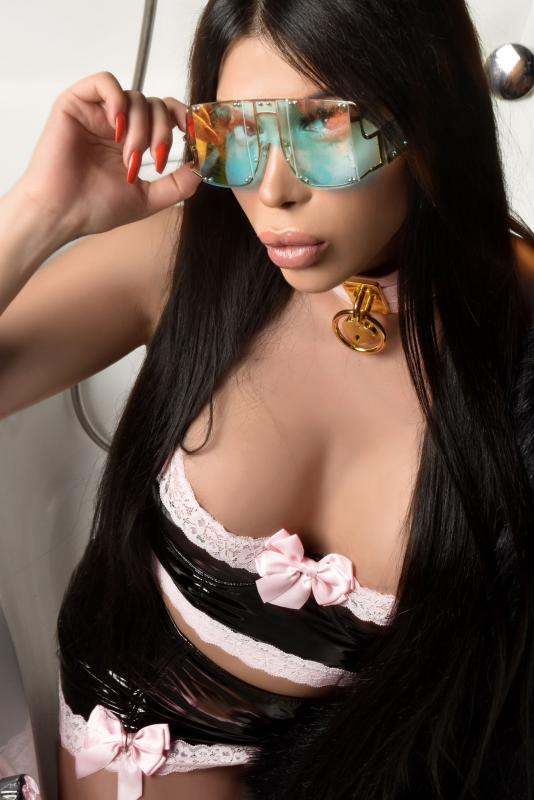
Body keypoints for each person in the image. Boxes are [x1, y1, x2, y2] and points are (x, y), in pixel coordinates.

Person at [1, 0, 533, 798]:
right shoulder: (194, 260)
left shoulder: (513, 327)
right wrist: (41, 214)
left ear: (428, 114)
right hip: (142, 749)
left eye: (324, 127)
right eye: (237, 134)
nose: (274, 190)